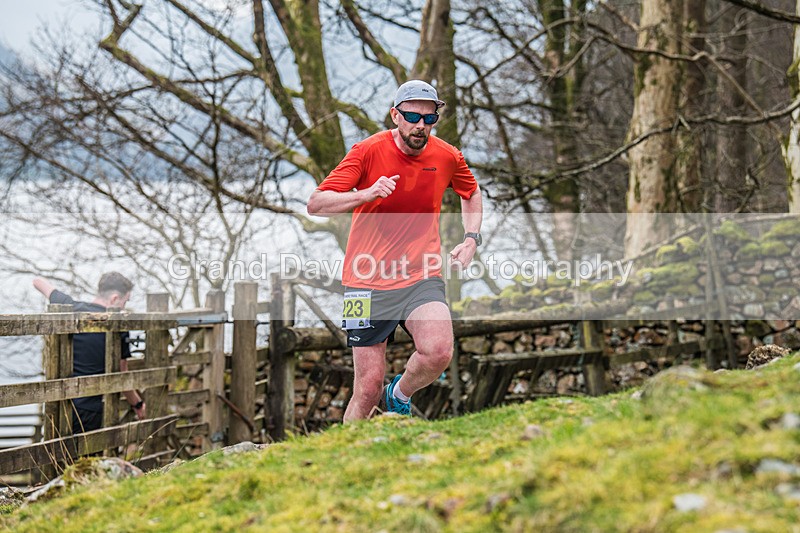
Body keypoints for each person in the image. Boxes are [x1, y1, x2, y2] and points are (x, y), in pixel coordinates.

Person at [307, 80, 483, 421]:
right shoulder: (367, 151)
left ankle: (399, 393)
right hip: (365, 280)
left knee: (438, 352)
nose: (420, 126)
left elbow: (471, 192)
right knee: (367, 388)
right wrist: (366, 194)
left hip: (421, 274)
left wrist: (471, 237)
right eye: (412, 117)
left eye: (429, 119)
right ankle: (346, 456)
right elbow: (316, 203)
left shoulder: (447, 156)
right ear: (395, 115)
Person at [33, 272, 146, 432]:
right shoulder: (118, 325)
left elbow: (37, 281)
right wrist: (138, 404)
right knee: (88, 454)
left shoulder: (70, 306)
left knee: (57, 453)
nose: (123, 308)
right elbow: (122, 375)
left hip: (59, 404)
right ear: (114, 299)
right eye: (125, 301)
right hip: (90, 410)